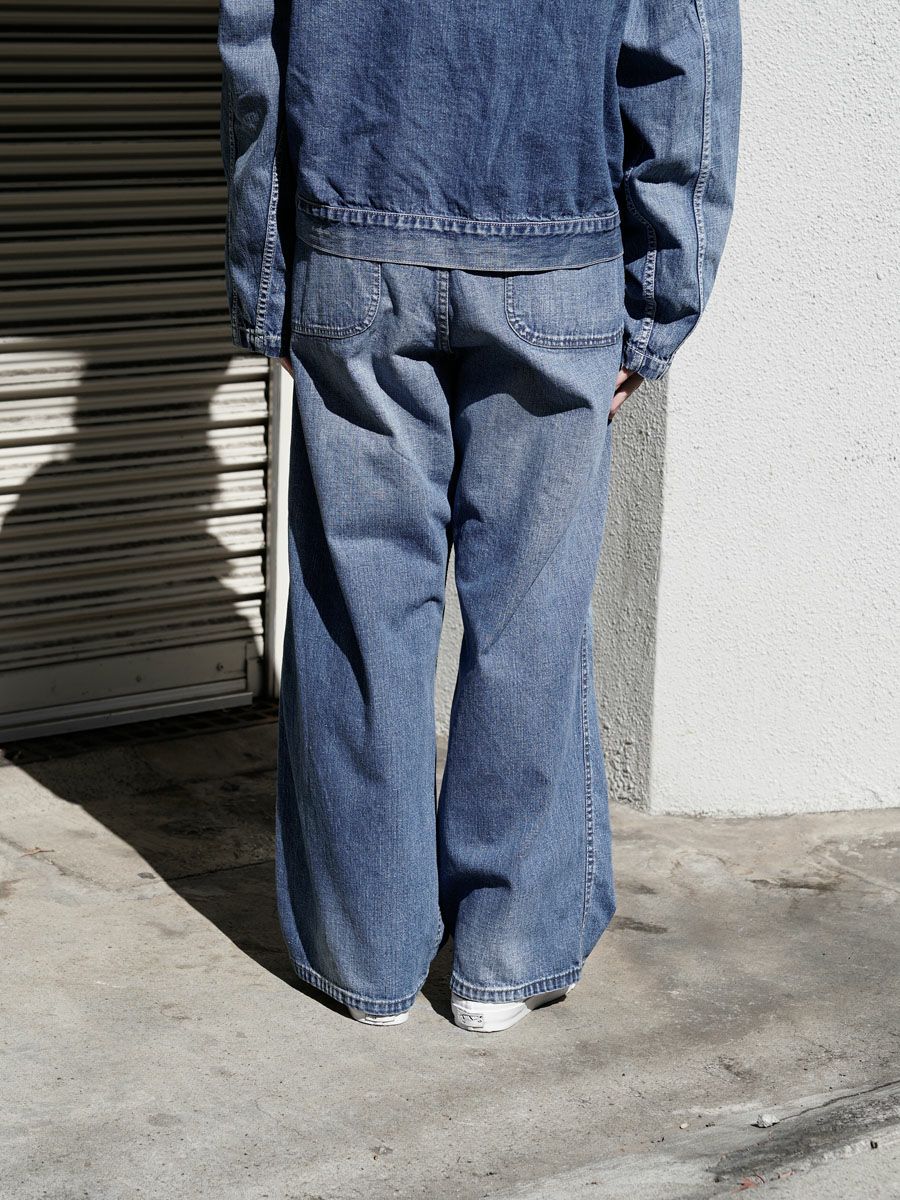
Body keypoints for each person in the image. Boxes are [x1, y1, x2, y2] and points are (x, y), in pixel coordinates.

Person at [218, 0, 741, 1032]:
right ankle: (507, 957)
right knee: (530, 613)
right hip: (560, 251)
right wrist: (658, 300)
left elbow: (253, 47)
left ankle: (366, 960)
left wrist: (268, 280)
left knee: (359, 611)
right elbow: (684, 61)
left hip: (355, 245)